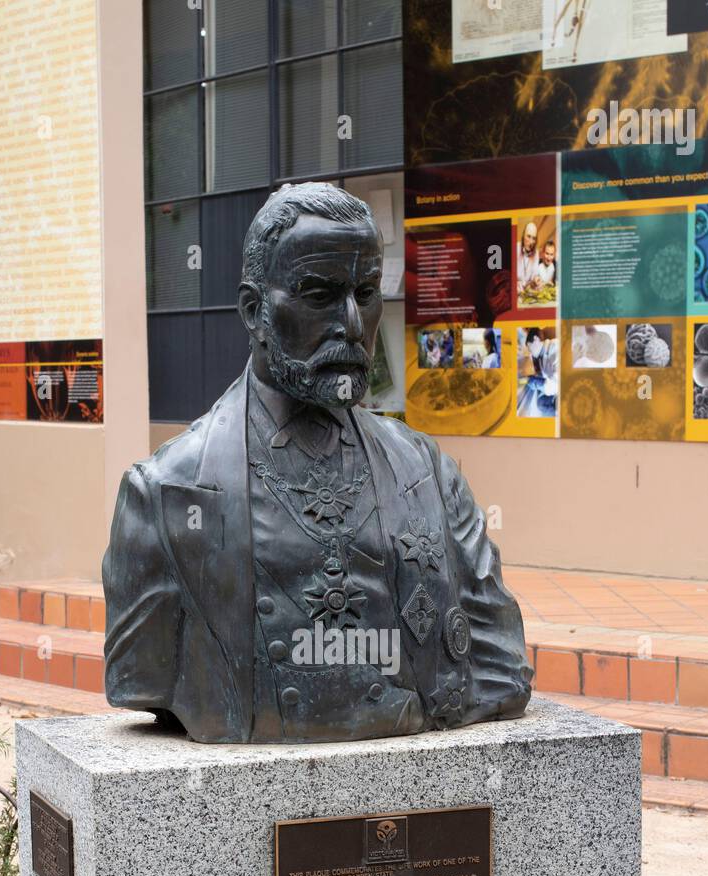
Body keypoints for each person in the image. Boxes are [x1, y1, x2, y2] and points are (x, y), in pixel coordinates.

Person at [103, 183, 532, 742]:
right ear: (254, 310)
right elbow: (137, 673)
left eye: (366, 292)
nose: (352, 324)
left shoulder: (428, 473)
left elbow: (499, 666)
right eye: (320, 295)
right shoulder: (165, 495)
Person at [517, 222, 539, 295]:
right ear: (523, 235)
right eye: (528, 236)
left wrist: (536, 279)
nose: (531, 242)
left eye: (534, 238)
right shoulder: (515, 248)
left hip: (527, 292)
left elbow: (534, 274)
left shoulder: (536, 253)